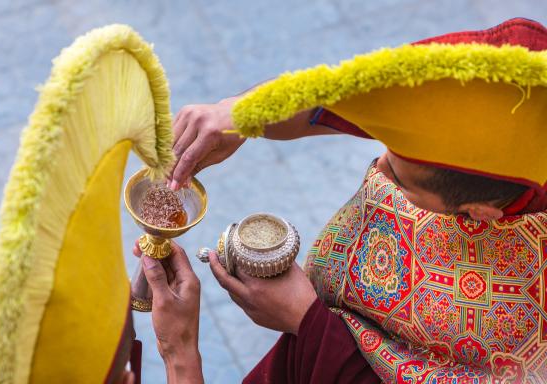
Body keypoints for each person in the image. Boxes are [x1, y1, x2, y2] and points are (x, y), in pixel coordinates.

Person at [139, 18, 547, 383]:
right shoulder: (505, 100)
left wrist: (183, 352)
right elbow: (334, 102)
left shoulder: (523, 315)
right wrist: (239, 114)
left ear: (479, 213)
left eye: (403, 185)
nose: (379, 175)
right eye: (386, 151)